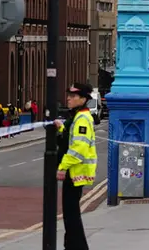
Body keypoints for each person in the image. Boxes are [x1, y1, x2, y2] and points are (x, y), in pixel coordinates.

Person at [54, 82, 97, 250]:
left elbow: (78, 148)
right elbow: (72, 138)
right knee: (70, 215)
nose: (69, 98)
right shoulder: (78, 117)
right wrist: (62, 128)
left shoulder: (82, 119)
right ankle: (71, 246)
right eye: (69, 95)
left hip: (75, 173)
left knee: (71, 216)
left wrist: (62, 167)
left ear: (83, 99)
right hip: (74, 173)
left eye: (73, 96)